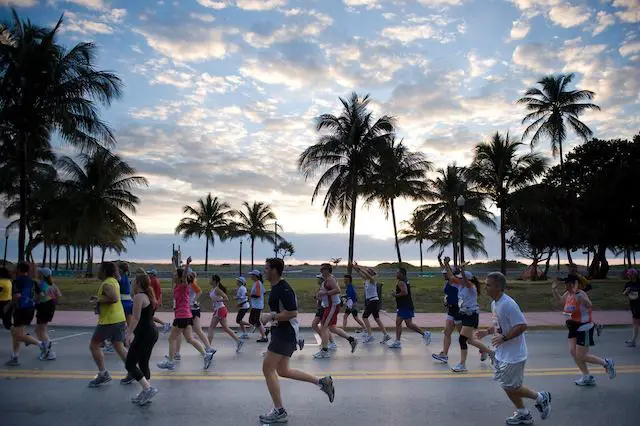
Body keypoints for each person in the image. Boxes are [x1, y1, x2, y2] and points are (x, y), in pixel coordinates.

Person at [259, 258, 335, 424]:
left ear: (274, 270)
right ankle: (322, 382)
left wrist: (270, 316)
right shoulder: (276, 287)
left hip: (285, 333)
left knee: (267, 368)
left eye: (266, 268)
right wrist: (270, 317)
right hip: (282, 331)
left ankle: (279, 410)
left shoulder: (283, 288)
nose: (264, 271)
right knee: (283, 370)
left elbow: (292, 312)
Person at [475, 272, 552, 425]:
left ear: (498, 286)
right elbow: (499, 324)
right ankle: (523, 413)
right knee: (507, 385)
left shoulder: (508, 304)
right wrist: (487, 331)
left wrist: (504, 338)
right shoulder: (495, 303)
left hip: (514, 354)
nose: (485, 287)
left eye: (488, 285)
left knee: (512, 386)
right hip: (503, 353)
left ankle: (541, 397)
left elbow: (522, 325)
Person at [551, 275, 616, 386]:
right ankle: (587, 376)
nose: (567, 286)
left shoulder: (580, 294)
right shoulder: (568, 294)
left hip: (584, 327)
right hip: (573, 327)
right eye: (566, 284)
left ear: (575, 284)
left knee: (581, 355)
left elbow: (589, 304)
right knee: (573, 352)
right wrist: (554, 290)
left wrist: (581, 297)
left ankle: (606, 363)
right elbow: (561, 301)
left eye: (569, 283)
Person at [157, 257, 214, 371]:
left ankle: (171, 362)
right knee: (189, 339)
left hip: (182, 316)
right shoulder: (178, 285)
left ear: (180, 278)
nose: (173, 276)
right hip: (187, 315)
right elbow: (176, 272)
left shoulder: (183, 285)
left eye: (175, 276)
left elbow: (182, 275)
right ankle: (206, 355)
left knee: (171, 338)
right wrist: (173, 262)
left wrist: (187, 264)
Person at [443, 260, 493, 372]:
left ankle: (462, 364)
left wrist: (462, 271)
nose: (459, 279)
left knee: (462, 339)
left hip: (472, 314)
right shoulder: (460, 286)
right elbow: (451, 276)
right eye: (459, 277)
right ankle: (490, 352)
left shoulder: (471, 286)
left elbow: (465, 281)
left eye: (461, 278)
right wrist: (446, 264)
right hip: (464, 314)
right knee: (469, 340)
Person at [88, 262, 128, 386]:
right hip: (118, 318)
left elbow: (114, 298)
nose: (98, 271)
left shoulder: (107, 283)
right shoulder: (113, 281)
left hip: (109, 320)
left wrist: (98, 299)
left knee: (94, 345)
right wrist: (99, 299)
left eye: (100, 269)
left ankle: (103, 374)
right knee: (118, 346)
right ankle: (132, 370)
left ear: (105, 271)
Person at [5, 262, 50, 366]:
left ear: (20, 269)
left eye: (16, 268)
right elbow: (40, 295)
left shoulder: (17, 281)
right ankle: (14, 357)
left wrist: (9, 305)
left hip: (21, 309)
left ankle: (41, 344)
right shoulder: (33, 281)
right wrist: (33, 302)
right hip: (30, 309)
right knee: (15, 333)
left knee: (19, 334)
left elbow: (17, 296)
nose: (14, 270)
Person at [125, 270, 159, 406]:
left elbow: (136, 317)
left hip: (145, 333)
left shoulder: (139, 296)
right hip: (150, 332)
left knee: (130, 364)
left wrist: (128, 333)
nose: (132, 283)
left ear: (138, 283)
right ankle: (146, 392)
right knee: (143, 362)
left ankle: (148, 389)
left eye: (133, 281)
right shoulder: (147, 295)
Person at [313, 263, 357, 359]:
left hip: (332, 306)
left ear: (327, 270)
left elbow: (337, 290)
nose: (320, 271)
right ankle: (351, 339)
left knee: (324, 327)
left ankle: (325, 351)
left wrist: (324, 293)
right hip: (329, 306)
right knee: (332, 328)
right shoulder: (326, 281)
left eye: (322, 269)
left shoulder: (330, 279)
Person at [389, 267, 431, 349]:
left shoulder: (401, 282)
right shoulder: (405, 280)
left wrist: (395, 295)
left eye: (398, 272)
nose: (396, 274)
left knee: (400, 323)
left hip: (405, 306)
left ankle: (398, 341)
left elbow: (405, 292)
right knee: (407, 324)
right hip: (405, 305)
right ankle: (424, 334)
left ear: (402, 274)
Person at [432, 254, 461, 363]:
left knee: (465, 336)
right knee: (447, 332)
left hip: (458, 310)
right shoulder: (449, 281)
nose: (443, 274)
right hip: (451, 310)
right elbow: (444, 270)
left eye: (445, 273)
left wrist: (446, 263)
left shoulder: (455, 282)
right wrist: (440, 261)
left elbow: (448, 272)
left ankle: (484, 350)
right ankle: (444, 354)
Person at [353, 263, 390, 344]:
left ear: (370, 274)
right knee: (377, 319)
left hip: (373, 301)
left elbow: (366, 274)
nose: (366, 273)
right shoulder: (366, 280)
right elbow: (360, 274)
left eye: (367, 272)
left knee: (364, 317)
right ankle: (386, 335)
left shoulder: (372, 280)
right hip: (373, 301)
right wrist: (356, 268)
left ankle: (370, 335)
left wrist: (361, 268)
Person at [207, 274, 244, 353]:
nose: (209, 280)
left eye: (210, 279)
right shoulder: (212, 289)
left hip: (220, 309)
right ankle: (239, 341)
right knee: (226, 328)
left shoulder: (217, 289)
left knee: (211, 328)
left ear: (214, 281)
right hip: (219, 310)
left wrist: (218, 301)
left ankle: (208, 347)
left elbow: (226, 298)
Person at [568, 263, 602, 336]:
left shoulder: (577, 276)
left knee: (582, 314)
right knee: (580, 314)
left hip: (581, 294)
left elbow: (585, 284)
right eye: (570, 268)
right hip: (577, 294)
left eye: (572, 268)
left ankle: (591, 327)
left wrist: (582, 292)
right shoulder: (572, 275)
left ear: (574, 269)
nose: (570, 269)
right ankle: (596, 326)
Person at [34, 267, 61, 361]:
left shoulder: (40, 284)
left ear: (42, 275)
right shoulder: (53, 284)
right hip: (50, 306)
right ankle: (45, 350)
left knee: (41, 330)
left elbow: (38, 297)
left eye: (39, 272)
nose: (37, 273)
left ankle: (49, 352)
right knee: (39, 330)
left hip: (43, 307)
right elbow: (58, 296)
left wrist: (34, 302)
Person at [311, 274, 336, 350]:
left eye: (319, 278)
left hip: (323, 308)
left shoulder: (325, 287)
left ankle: (328, 341)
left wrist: (318, 296)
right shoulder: (321, 287)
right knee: (322, 326)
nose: (317, 280)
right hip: (320, 308)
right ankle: (330, 342)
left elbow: (325, 298)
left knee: (316, 325)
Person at [147, 269, 171, 333]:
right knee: (149, 316)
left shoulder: (152, 281)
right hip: (156, 301)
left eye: (150, 274)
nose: (148, 275)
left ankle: (164, 324)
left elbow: (149, 291)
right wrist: (160, 301)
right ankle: (163, 325)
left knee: (149, 316)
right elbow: (160, 292)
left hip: (153, 302)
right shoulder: (157, 280)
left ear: (153, 274)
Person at [248, 270, 268, 343]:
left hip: (257, 306)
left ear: (255, 276)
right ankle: (265, 330)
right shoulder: (257, 283)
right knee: (251, 320)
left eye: (251, 275)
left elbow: (258, 294)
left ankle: (264, 336)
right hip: (256, 305)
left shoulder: (258, 283)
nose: (250, 276)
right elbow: (264, 292)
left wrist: (250, 295)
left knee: (256, 321)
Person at [623, 268, 640, 347]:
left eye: (630, 275)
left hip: (639, 305)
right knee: (635, 323)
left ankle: (633, 341)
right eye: (628, 275)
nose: (629, 276)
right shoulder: (628, 284)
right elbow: (624, 293)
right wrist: (626, 291)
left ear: (635, 275)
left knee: (636, 323)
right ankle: (633, 340)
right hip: (633, 305)